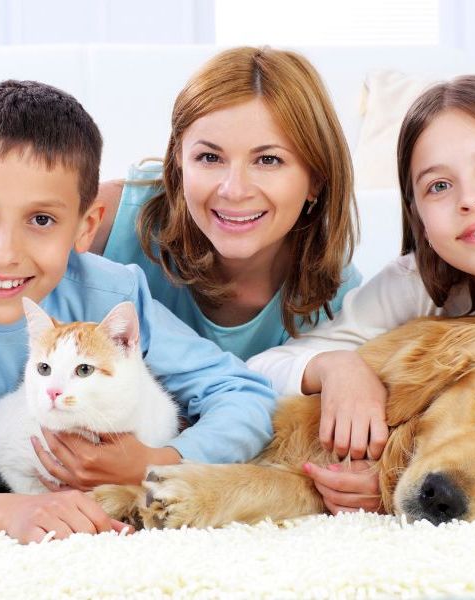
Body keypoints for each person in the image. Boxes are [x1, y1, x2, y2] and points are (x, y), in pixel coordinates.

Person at [0, 80, 277, 543]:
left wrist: (157, 461)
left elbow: (245, 396)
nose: (3, 253)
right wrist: (11, 512)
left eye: (41, 220)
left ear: (85, 226)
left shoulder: (109, 294)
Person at [247, 74, 475, 515]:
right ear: (416, 214)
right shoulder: (415, 282)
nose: (471, 200)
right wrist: (336, 366)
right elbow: (262, 368)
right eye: (439, 186)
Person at [87, 46, 367, 480]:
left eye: (268, 160)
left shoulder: (339, 297)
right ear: (178, 164)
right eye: (210, 158)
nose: (234, 190)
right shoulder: (104, 219)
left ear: (316, 178)